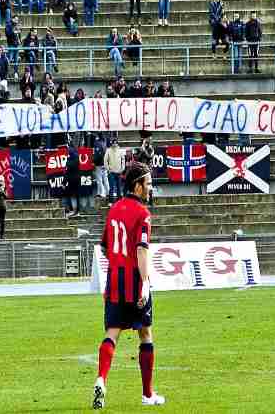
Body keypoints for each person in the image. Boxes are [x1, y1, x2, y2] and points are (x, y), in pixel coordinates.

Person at [92, 162, 165, 409]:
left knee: (112, 332)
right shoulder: (143, 214)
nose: (150, 188)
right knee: (145, 333)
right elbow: (141, 251)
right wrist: (144, 285)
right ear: (137, 185)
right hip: (134, 281)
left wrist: (115, 265)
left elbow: (104, 247)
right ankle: (147, 394)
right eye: (149, 183)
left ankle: (101, 378)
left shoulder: (113, 210)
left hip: (114, 280)